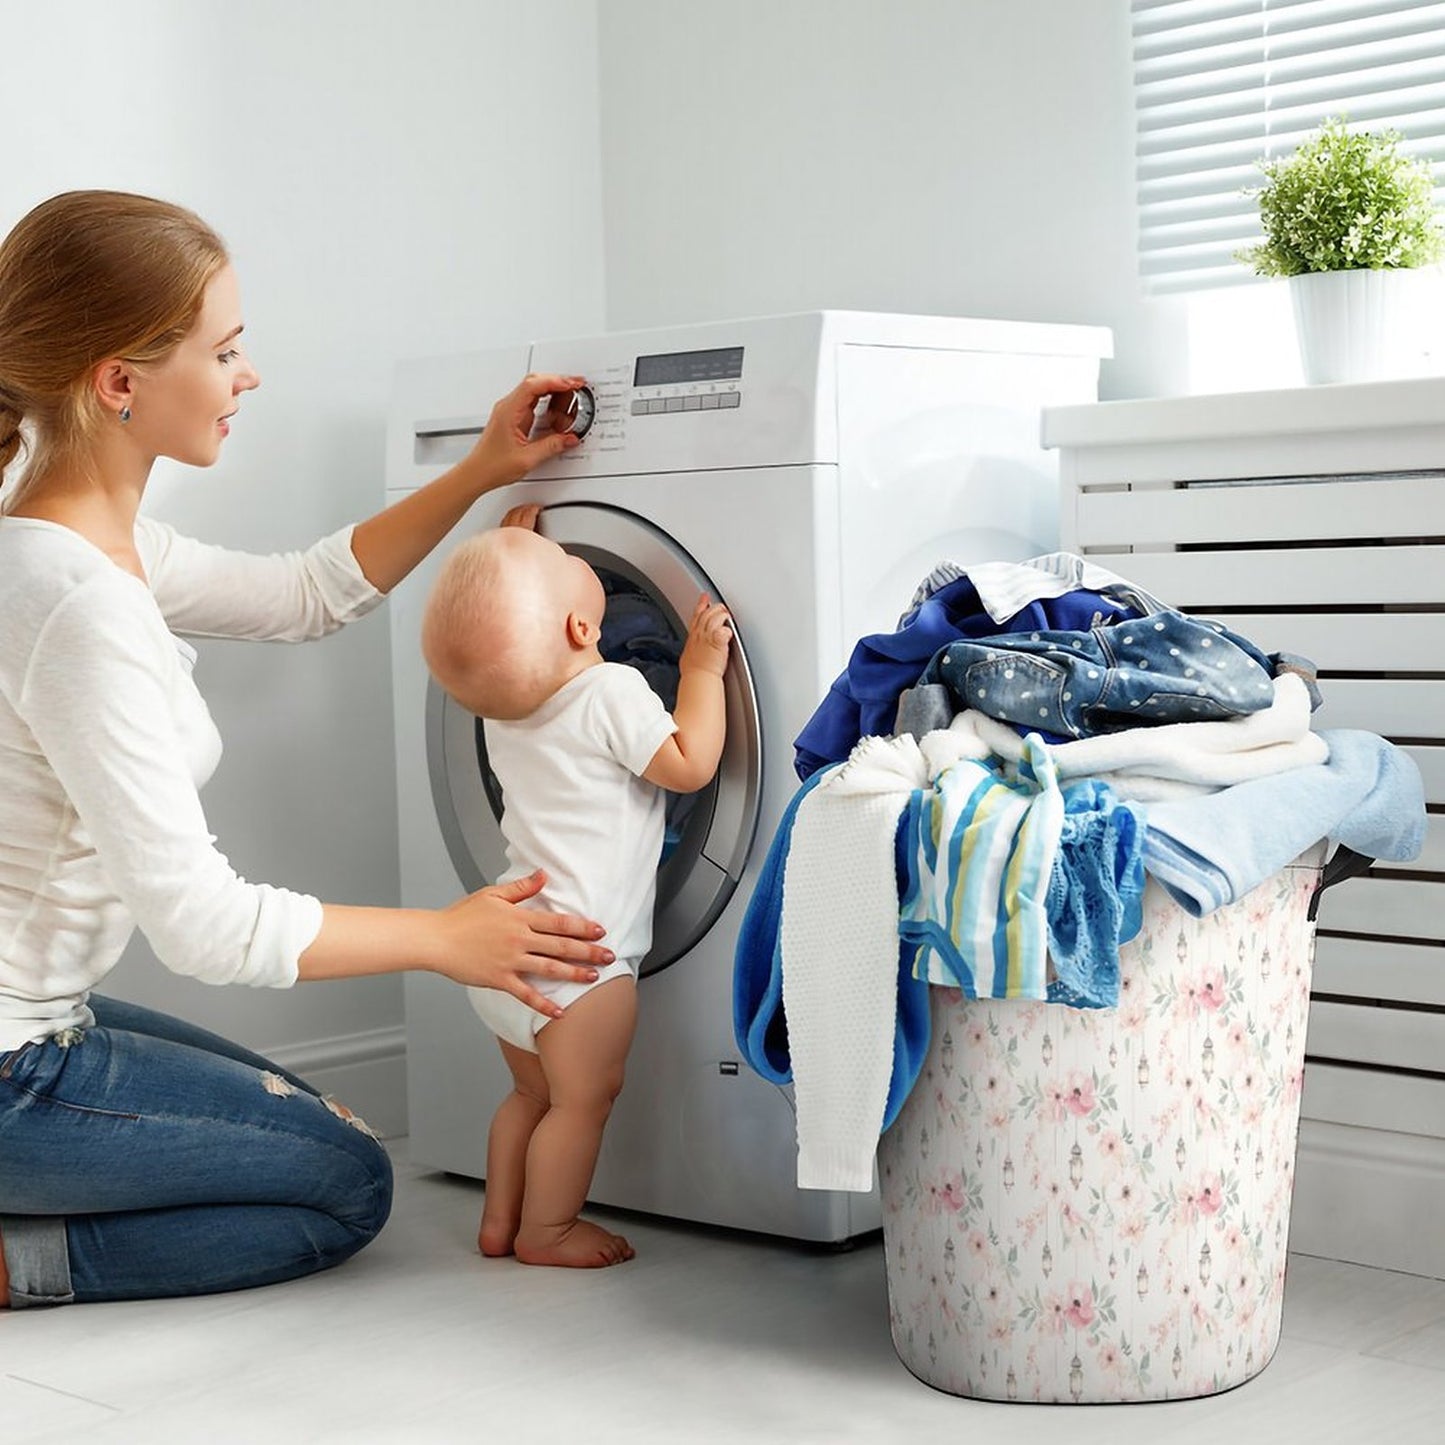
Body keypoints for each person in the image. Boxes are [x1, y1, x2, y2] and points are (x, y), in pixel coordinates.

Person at [0, 189, 617, 1309]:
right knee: (343, 1182)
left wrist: (484, 467)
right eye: (225, 350)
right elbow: (203, 922)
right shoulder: (76, 602)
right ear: (119, 381)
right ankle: (17, 1257)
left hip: (37, 1017)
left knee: (307, 1120)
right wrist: (445, 937)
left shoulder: (77, 538)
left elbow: (305, 593)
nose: (251, 376)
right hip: (13, 1067)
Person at [421, 518, 731, 1267]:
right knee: (582, 1102)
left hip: (510, 945)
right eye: (564, 558)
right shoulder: (612, 689)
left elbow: (503, 643)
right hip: (582, 963)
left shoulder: (503, 709)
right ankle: (547, 1229)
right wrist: (697, 672)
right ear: (583, 625)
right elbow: (687, 764)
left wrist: (510, 558)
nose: (570, 552)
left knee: (528, 1098)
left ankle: (498, 1220)